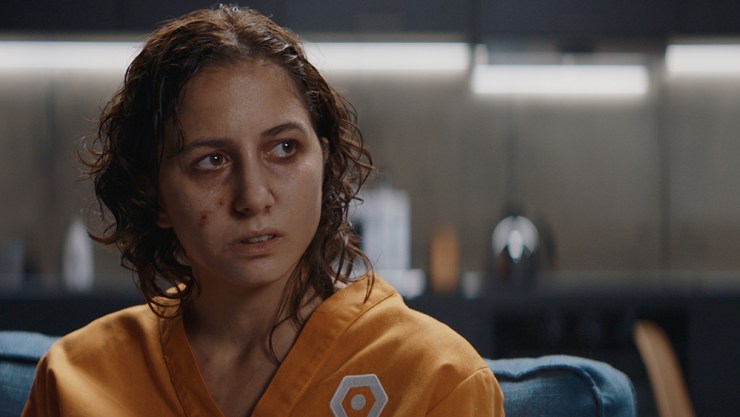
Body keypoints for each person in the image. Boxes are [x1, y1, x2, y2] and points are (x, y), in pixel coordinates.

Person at [22, 5, 503, 417]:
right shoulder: (75, 379)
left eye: (284, 148)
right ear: (154, 195)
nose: (253, 197)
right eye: (211, 161)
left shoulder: (437, 380)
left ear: (325, 162)